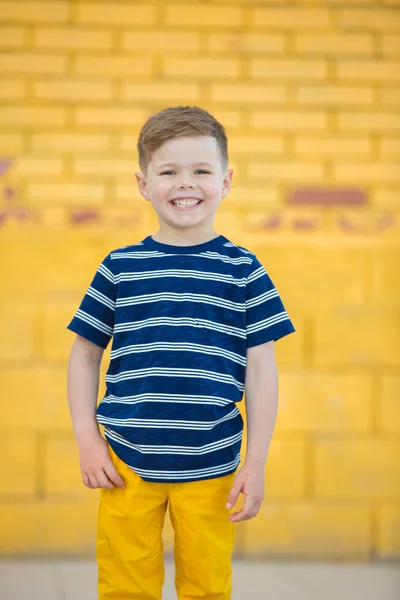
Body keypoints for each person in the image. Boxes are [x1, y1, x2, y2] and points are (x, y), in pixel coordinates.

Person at [66, 105, 295, 600]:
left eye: (200, 171)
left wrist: (255, 462)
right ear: (144, 183)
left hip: (214, 465)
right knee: (125, 585)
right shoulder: (120, 266)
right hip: (125, 465)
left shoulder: (244, 270)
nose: (184, 183)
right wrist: (87, 437)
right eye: (168, 171)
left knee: (207, 586)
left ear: (226, 180)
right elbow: (85, 355)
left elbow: (261, 371)